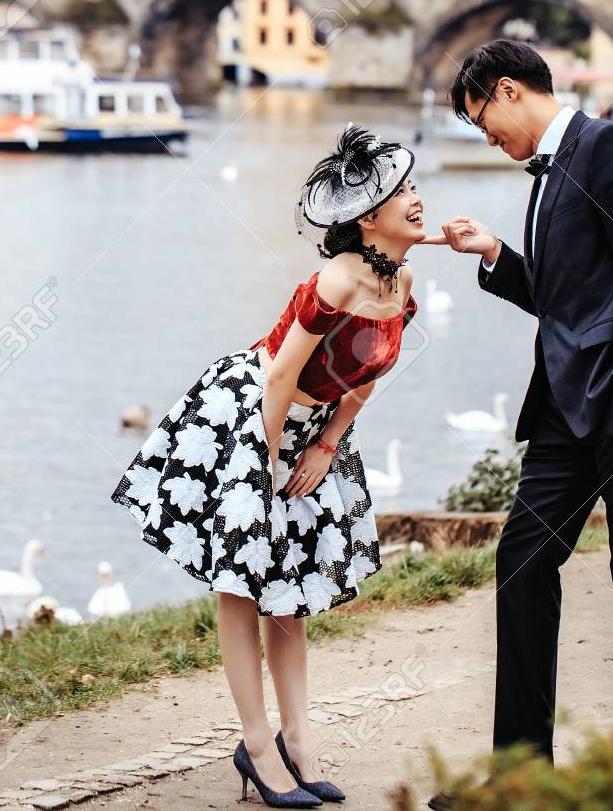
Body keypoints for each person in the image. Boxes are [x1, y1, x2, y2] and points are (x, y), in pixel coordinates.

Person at [111, 125, 427, 808]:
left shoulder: (401, 279)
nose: (417, 200)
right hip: (251, 414)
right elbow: (280, 377)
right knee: (245, 581)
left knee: (291, 589)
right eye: (404, 193)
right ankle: (257, 746)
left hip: (311, 429)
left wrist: (326, 446)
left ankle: (298, 740)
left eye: (413, 188)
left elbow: (369, 374)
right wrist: (265, 462)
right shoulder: (338, 279)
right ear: (368, 217)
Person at [425, 39, 613, 807]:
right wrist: (496, 256)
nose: (488, 138)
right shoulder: (547, 170)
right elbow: (567, 294)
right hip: (563, 406)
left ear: (508, 90)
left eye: (484, 121)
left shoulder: (609, 147)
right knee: (521, 563)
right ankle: (519, 775)